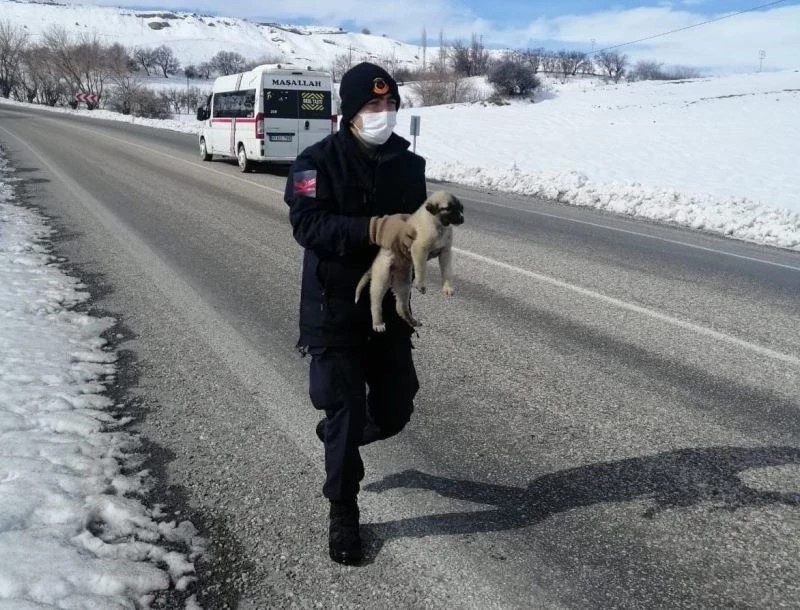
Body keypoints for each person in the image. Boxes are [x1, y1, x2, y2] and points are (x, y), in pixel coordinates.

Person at [283, 62, 428, 565]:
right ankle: (343, 508)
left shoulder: (409, 165)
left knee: (395, 409)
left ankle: (337, 436)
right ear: (350, 111)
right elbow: (308, 226)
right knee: (344, 410)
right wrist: (370, 229)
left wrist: (422, 244)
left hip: (386, 310)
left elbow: (417, 224)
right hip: (334, 309)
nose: (383, 112)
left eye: (390, 104)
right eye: (373, 104)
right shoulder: (315, 162)